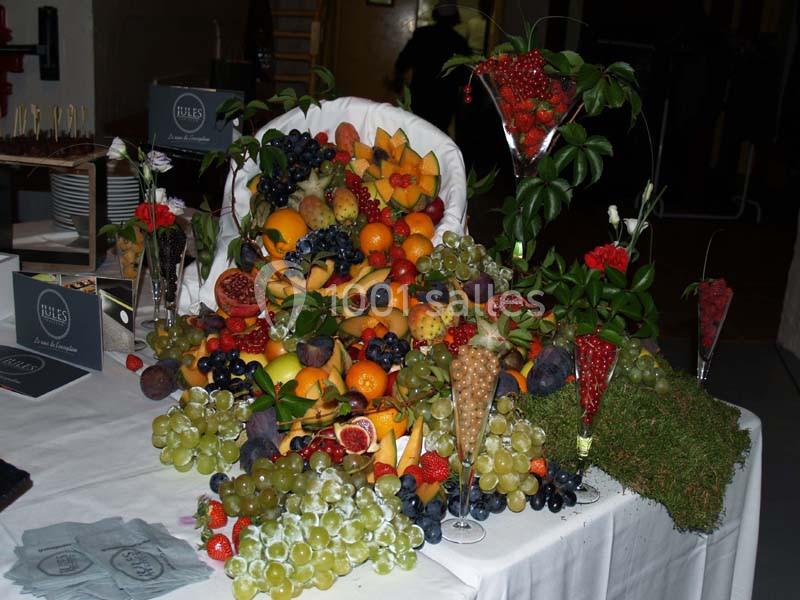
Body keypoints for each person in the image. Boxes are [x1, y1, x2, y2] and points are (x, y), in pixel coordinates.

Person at [395, 0, 471, 132]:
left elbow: (402, 62)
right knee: (437, 139)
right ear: (455, 17)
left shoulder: (422, 35)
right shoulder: (460, 42)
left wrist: (397, 77)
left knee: (412, 134)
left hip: (420, 96)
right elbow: (465, 77)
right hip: (444, 102)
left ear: (436, 14)